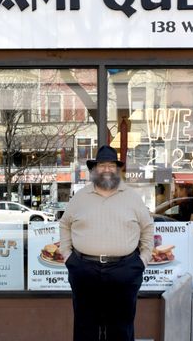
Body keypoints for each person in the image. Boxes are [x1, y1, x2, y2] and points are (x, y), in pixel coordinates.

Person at [60, 145, 154, 341]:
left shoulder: (132, 197)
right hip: (84, 269)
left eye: (111, 165)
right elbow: (64, 224)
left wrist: (142, 260)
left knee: (121, 326)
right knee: (85, 326)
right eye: (102, 165)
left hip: (125, 269)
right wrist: (68, 256)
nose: (107, 170)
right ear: (95, 169)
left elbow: (147, 228)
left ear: (117, 169)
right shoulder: (80, 197)